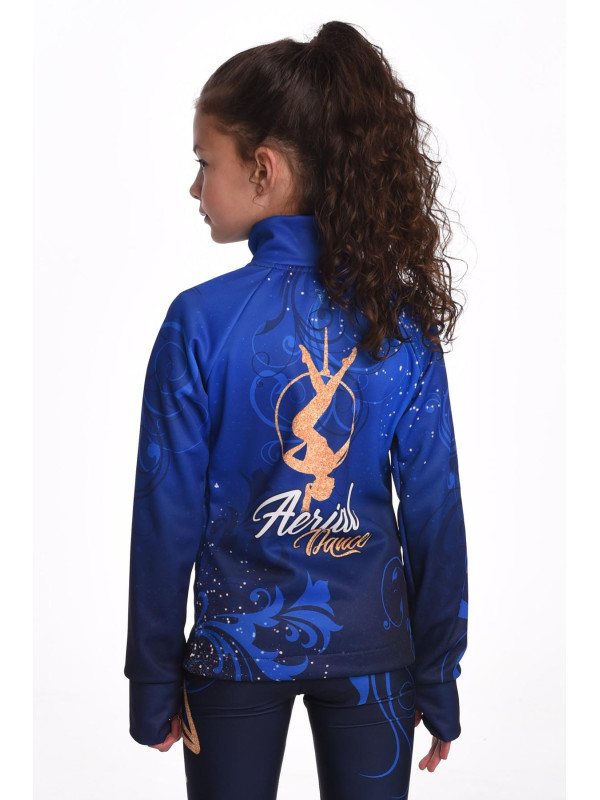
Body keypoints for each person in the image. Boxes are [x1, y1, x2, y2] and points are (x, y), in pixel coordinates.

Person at [124, 20, 468, 800]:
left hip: (233, 653)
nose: (195, 189)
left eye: (204, 164)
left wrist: (152, 677)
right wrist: (438, 673)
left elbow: (165, 514)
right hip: (377, 654)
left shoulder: (200, 321)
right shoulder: (399, 324)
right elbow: (434, 513)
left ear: (264, 168)